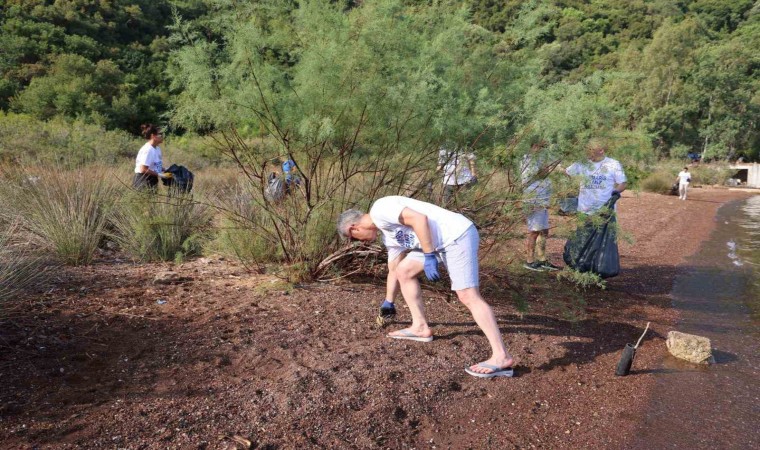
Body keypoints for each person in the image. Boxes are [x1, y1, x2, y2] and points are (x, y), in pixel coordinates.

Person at [337, 196, 515, 378]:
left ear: (354, 228)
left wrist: (429, 255)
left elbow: (419, 219)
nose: (361, 243)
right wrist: (388, 301)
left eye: (354, 239)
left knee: (467, 295)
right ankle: (420, 327)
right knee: (404, 271)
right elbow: (393, 270)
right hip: (437, 245)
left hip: (456, 236)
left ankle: (501, 356)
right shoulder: (388, 234)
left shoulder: (380, 209)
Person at [520, 138, 560, 272]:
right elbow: (542, 173)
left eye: (544, 147)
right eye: (540, 146)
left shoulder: (541, 158)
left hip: (543, 198)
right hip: (533, 198)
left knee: (544, 230)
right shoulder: (528, 160)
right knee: (534, 230)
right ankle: (529, 261)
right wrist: (547, 168)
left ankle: (542, 259)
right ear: (533, 145)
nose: (542, 149)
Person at [565, 139, 627, 214]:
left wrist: (615, 194)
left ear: (601, 151)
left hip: (606, 210)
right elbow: (567, 172)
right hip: (584, 210)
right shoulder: (582, 163)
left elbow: (623, 183)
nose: (588, 152)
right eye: (587, 149)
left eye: (591, 150)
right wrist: (557, 168)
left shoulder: (613, 164)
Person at [133, 124, 170, 190]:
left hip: (152, 179)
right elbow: (143, 169)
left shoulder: (157, 148)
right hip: (143, 180)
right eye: (160, 135)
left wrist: (166, 169)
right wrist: (160, 175)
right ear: (153, 136)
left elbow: (154, 166)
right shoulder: (148, 149)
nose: (162, 137)